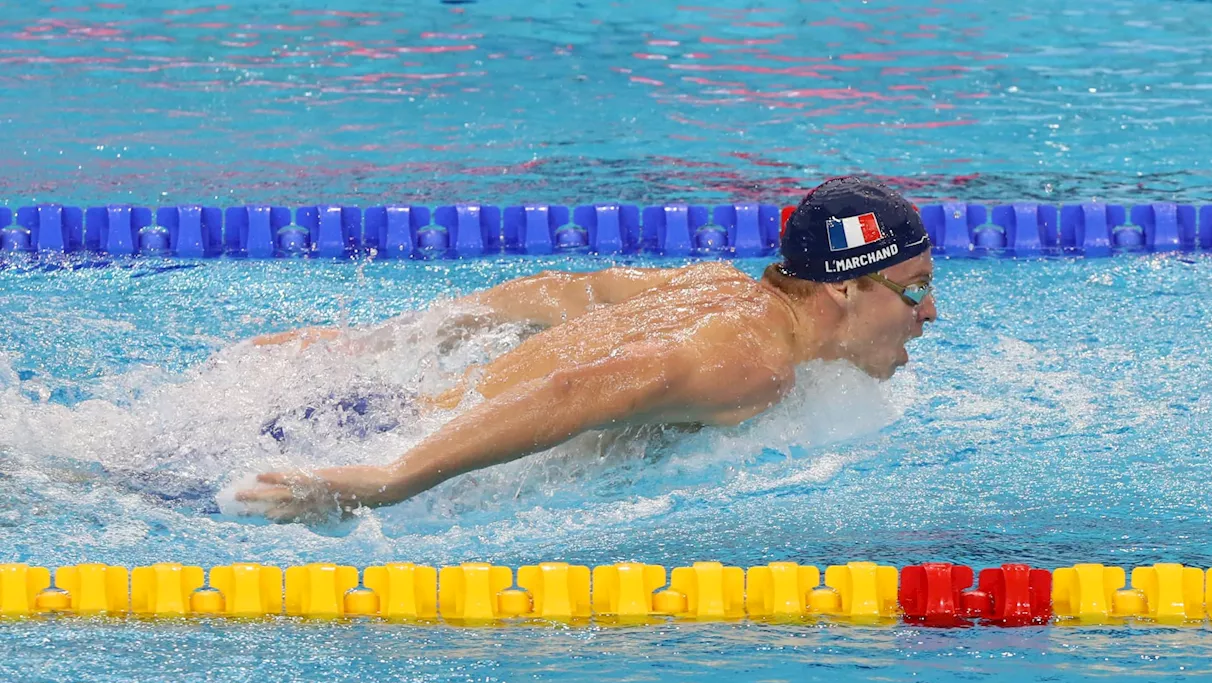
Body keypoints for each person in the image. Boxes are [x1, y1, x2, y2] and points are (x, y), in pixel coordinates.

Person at [237, 176, 938, 522]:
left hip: (371, 410)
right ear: (844, 288)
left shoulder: (716, 285)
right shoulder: (753, 367)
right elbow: (578, 388)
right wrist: (390, 479)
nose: (928, 314)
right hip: (380, 443)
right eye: (913, 290)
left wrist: (372, 343)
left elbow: (571, 293)